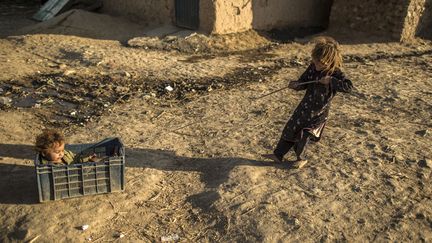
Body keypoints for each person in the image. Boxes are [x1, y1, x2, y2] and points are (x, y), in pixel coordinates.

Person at [262, 36, 353, 168]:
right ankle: (278, 155)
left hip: (318, 113)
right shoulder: (312, 68)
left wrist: (331, 81)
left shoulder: (335, 73)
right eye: (315, 62)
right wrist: (296, 85)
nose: (316, 66)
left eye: (320, 64)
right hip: (304, 108)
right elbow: (303, 82)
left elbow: (349, 87)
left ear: (330, 61)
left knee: (305, 133)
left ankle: (301, 158)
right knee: (291, 128)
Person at [35, 129, 99, 165]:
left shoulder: (66, 154)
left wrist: (88, 158)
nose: (61, 154)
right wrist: (89, 164)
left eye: (62, 150)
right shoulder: (49, 166)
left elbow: (76, 158)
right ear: (44, 153)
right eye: (57, 152)